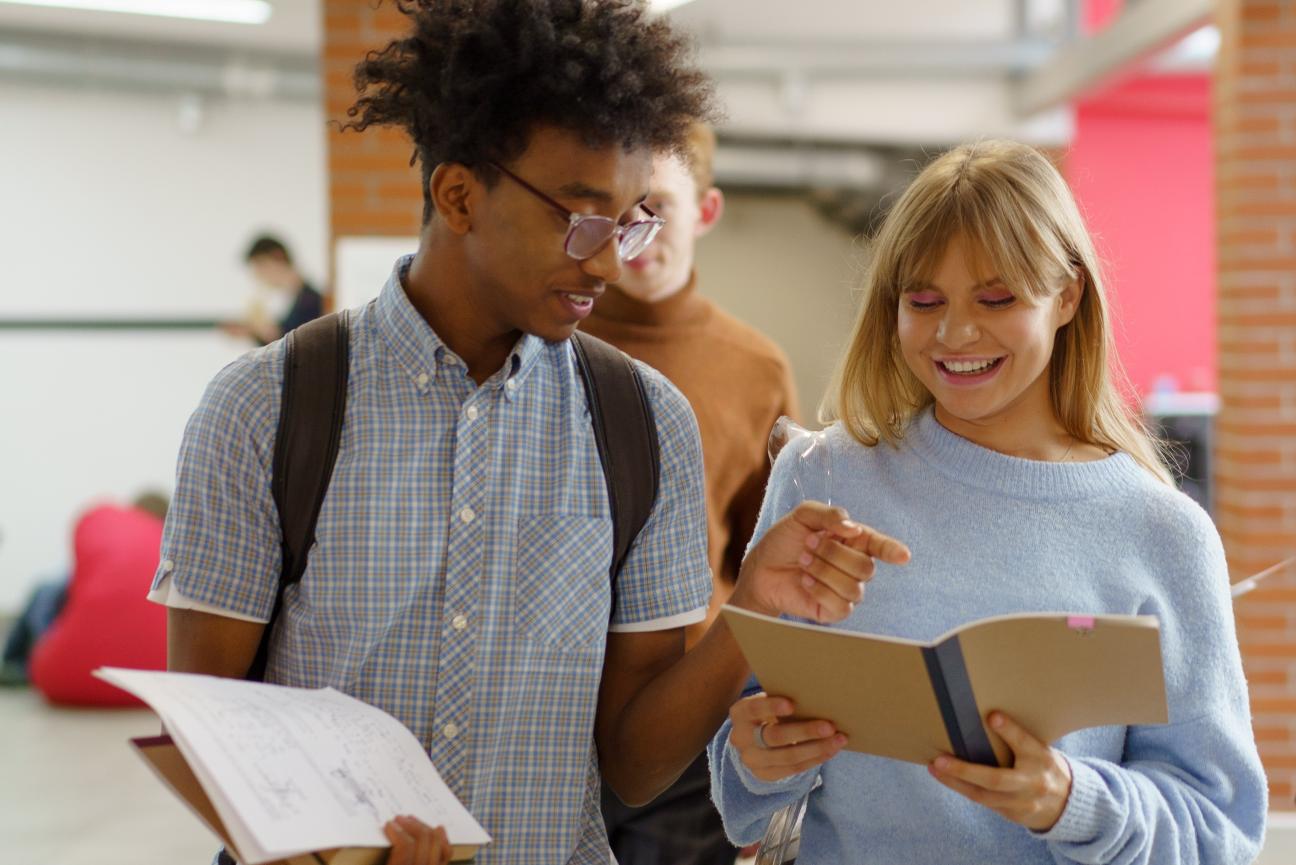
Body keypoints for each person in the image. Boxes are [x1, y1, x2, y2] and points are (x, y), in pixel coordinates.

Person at [148, 3, 906, 864]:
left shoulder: (646, 425)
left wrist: (754, 606)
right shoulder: (268, 406)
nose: (609, 259)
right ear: (460, 194)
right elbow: (209, 733)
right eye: (581, 219)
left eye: (631, 222)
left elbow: (634, 762)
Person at [708, 140, 1267, 864]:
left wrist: (1072, 802)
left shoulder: (1163, 532)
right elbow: (739, 796)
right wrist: (757, 755)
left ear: (1067, 295)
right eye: (924, 300)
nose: (953, 333)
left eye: (997, 298)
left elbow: (1219, 830)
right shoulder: (823, 478)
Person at [581, 123, 798, 865]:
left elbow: (759, 558)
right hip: (545, 703)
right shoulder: (542, 341)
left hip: (684, 715)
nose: (635, 230)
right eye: (620, 207)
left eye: (660, 207)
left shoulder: (755, 366)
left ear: (706, 212)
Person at [1, 492, 170, 705]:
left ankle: (15, 662)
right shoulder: (161, 546)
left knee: (46, 590)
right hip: (150, 670)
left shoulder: (118, 535)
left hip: (71, 656)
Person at [225, 234, 324, 345]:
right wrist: (254, 332)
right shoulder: (294, 298)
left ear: (278, 256)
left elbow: (295, 345)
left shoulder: (311, 300)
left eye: (261, 266)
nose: (259, 275)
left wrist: (260, 331)